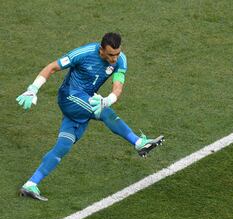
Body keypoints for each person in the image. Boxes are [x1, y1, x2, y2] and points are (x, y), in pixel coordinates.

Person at [16, 32, 164, 201]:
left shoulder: (120, 60)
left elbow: (118, 86)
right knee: (104, 112)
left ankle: (30, 184)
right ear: (101, 50)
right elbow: (52, 67)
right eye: (111, 55)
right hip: (69, 97)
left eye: (117, 54)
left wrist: (110, 99)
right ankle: (139, 143)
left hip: (85, 102)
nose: (115, 58)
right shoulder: (83, 53)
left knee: (63, 146)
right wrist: (33, 89)